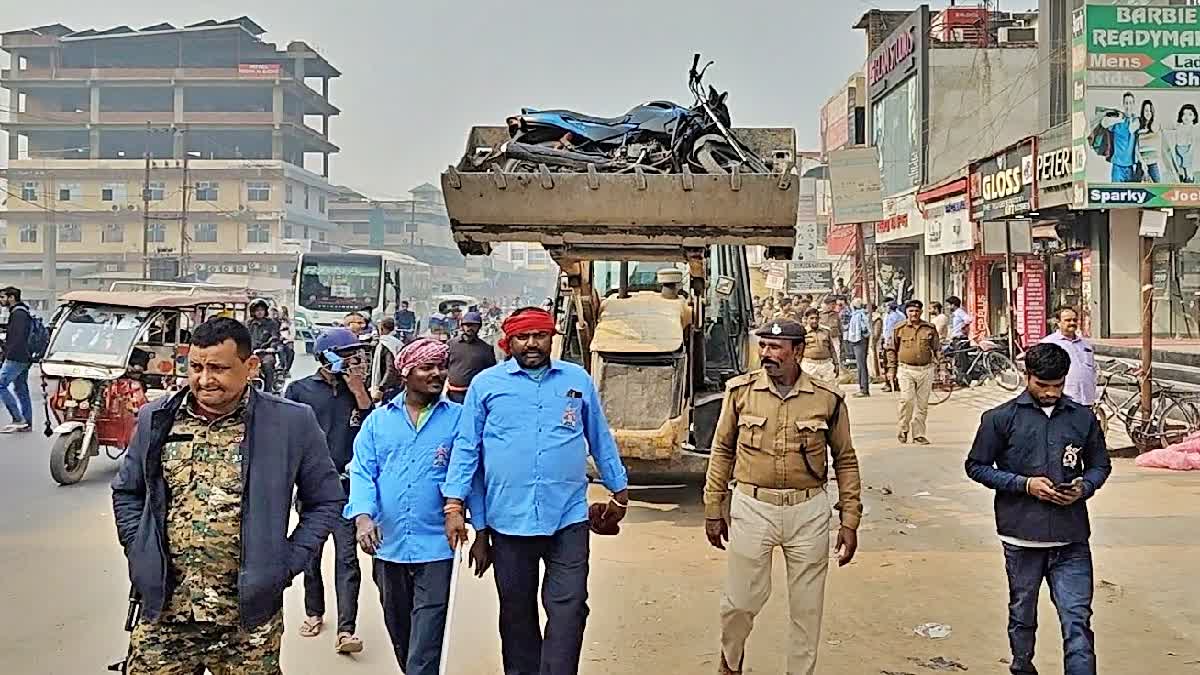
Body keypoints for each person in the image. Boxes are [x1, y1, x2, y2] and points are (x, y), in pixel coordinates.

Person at [111, 316, 345, 674]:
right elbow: (128, 492)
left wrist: (287, 562)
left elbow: (325, 499)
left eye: (219, 368)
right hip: (165, 612)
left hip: (248, 621)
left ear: (250, 366)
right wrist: (139, 550)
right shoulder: (156, 418)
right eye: (197, 367)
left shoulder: (290, 422)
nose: (205, 380)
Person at [442, 307, 630, 675]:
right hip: (508, 521)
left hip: (568, 518)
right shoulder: (487, 385)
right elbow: (467, 449)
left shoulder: (576, 380)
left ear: (551, 339)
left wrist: (618, 488)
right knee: (516, 612)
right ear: (508, 342)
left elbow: (599, 437)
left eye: (539, 336)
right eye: (523, 337)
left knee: (571, 606)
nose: (532, 344)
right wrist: (455, 505)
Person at [704, 319, 862, 675]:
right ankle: (731, 661)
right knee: (739, 603)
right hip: (752, 507)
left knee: (807, 609)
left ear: (798, 352)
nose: (767, 355)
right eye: (763, 347)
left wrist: (849, 519)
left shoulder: (827, 398)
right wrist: (714, 507)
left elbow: (846, 459)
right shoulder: (740, 393)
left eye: (776, 348)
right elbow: (722, 450)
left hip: (808, 511)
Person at [966, 343, 1111, 675]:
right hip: (1022, 539)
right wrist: (1024, 484)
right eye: (1042, 385)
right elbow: (976, 466)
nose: (1050, 393)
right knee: (1022, 615)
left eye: (1057, 385)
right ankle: (1022, 667)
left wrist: (1083, 487)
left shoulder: (1082, 418)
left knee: (1077, 620)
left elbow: (1099, 466)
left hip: (1071, 538)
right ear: (1027, 376)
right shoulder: (999, 419)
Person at [346, 338, 488, 674]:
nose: (437, 374)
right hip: (388, 544)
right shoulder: (378, 422)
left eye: (441, 366)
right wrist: (363, 518)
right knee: (400, 630)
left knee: (428, 631)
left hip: (438, 543)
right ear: (405, 373)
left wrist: (481, 531)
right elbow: (363, 473)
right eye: (427, 367)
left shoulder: (459, 420)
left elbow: (474, 477)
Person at [286, 328, 375, 654]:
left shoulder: (359, 392)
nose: (355, 361)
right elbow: (286, 440)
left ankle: (346, 630)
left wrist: (360, 392)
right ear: (327, 357)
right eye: (348, 354)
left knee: (347, 559)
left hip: (349, 489)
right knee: (311, 554)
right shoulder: (299, 391)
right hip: (313, 489)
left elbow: (373, 432)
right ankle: (314, 611)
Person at [893, 300, 941, 445]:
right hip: (906, 369)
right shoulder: (899, 328)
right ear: (906, 312)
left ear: (921, 312)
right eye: (911, 311)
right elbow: (892, 349)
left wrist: (942, 368)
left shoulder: (929, 328)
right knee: (907, 400)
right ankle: (903, 428)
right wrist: (890, 369)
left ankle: (918, 434)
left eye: (916, 311)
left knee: (922, 404)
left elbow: (937, 349)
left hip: (926, 370)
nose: (914, 314)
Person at [1040, 307, 1097, 407]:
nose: (1072, 323)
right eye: (1067, 320)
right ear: (1058, 322)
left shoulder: (1085, 345)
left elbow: (1092, 369)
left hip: (1086, 399)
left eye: (1074, 320)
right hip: (1063, 399)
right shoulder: (1048, 343)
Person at [0, 287, 35, 432]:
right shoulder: (21, 312)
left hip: (16, 357)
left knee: (1, 385)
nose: (1, 300)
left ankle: (18, 418)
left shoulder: (19, 314)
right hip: (24, 356)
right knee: (21, 388)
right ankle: (26, 422)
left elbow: (18, 337)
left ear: (12, 297)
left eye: (3, 297)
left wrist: (7, 353)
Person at [445, 311, 498, 404]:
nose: (470, 328)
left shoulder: (486, 349)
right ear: (462, 326)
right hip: (452, 394)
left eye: (474, 325)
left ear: (479, 327)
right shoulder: (451, 344)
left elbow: (490, 374)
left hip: (475, 394)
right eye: (467, 325)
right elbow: (444, 366)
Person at [1100, 91, 1139, 182]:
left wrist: (1129, 118)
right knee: (1116, 193)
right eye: (1126, 103)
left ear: (1133, 104)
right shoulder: (1117, 122)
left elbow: (1131, 129)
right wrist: (1119, 119)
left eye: (1130, 103)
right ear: (1123, 104)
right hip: (1117, 166)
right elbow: (1104, 123)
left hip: (1130, 167)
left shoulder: (1136, 120)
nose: (1128, 106)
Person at [371, 317, 405, 403]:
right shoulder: (398, 342)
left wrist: (381, 389)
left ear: (382, 328)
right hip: (398, 384)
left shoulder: (386, 344)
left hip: (388, 388)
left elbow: (390, 369)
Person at [800, 308, 838, 383]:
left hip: (826, 365)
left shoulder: (826, 331)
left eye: (816, 318)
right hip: (809, 365)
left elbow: (832, 349)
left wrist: (836, 363)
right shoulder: (802, 332)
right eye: (811, 318)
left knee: (830, 389)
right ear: (806, 319)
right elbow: (798, 351)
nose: (814, 321)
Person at [844, 299, 872, 398]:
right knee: (860, 365)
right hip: (857, 341)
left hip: (859, 341)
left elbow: (865, 329)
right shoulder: (857, 315)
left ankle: (864, 389)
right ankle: (862, 387)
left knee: (861, 366)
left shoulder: (859, 315)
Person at [1171, 103, 1200, 183]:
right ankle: (1182, 177)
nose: (1186, 117)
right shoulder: (1178, 126)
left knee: (1187, 165)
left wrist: (1189, 152)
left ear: (1194, 117)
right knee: (1179, 164)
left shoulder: (1192, 128)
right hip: (1178, 148)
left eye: (1190, 114)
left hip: (1187, 149)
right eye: (1184, 114)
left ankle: (1189, 178)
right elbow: (1170, 127)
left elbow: (1193, 141)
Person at [1135, 99, 1162, 183]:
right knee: (1136, 187)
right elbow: (1136, 148)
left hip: (1153, 163)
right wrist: (1142, 162)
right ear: (1142, 111)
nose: (1148, 113)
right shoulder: (1138, 127)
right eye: (1146, 110)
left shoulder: (1155, 126)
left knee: (1158, 184)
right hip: (1141, 162)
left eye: (1150, 111)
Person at [881, 300, 905, 393]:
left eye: (887, 306)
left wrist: (888, 341)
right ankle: (888, 382)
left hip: (893, 342)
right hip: (887, 341)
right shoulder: (888, 315)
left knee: (892, 363)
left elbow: (891, 330)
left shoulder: (897, 316)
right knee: (887, 363)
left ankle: (893, 383)